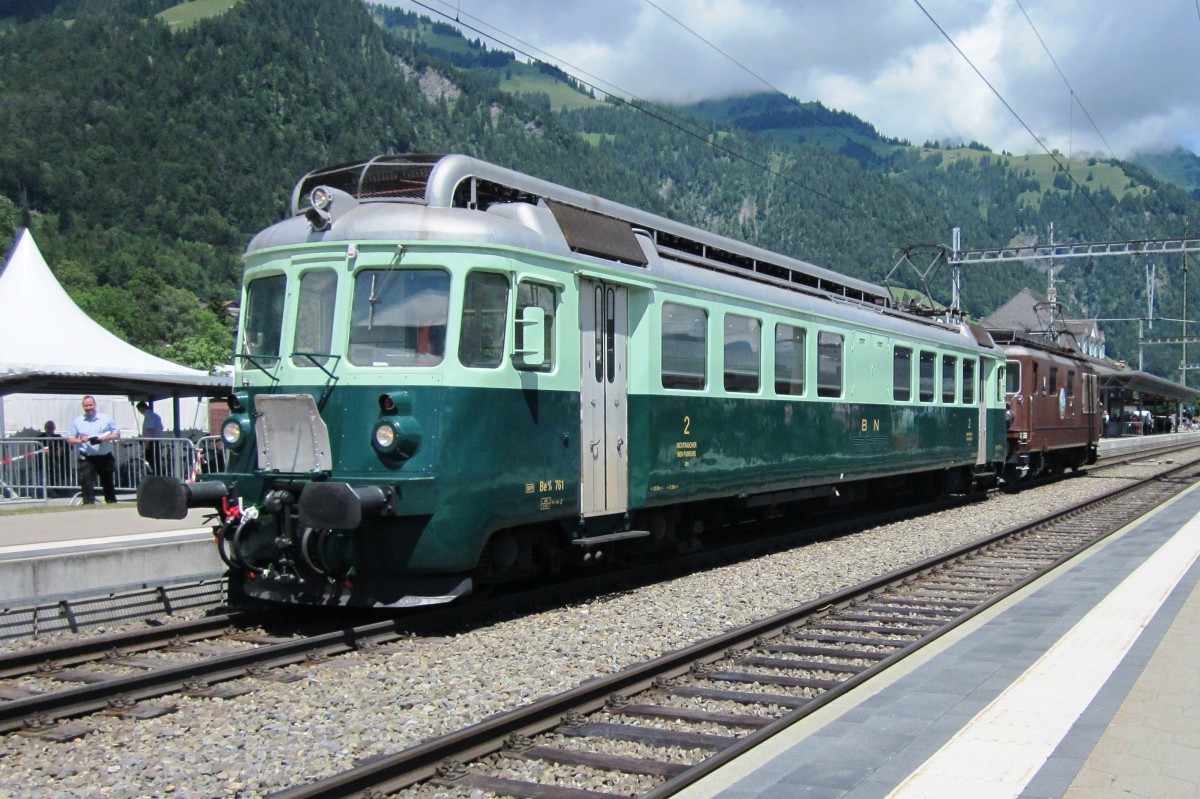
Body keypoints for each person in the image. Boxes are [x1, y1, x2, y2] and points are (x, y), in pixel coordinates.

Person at [67, 395, 120, 504]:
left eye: (90, 405)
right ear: (83, 407)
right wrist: (80, 440)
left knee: (108, 481)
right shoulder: (78, 421)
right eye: (86, 406)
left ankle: (111, 503)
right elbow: (70, 438)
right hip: (87, 457)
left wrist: (105, 438)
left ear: (95, 405)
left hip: (104, 456)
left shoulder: (106, 419)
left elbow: (117, 434)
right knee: (86, 481)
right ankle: (88, 504)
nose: (88, 408)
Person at [36, 420, 68, 496]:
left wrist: (61, 449)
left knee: (56, 475)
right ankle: (47, 492)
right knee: (44, 476)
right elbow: (37, 448)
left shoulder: (58, 437)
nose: (50, 429)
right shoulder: (40, 437)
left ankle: (56, 490)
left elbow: (66, 445)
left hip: (56, 462)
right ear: (45, 428)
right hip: (44, 461)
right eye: (49, 427)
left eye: (52, 427)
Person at [136, 401, 164, 475]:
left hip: (151, 442)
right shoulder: (155, 416)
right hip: (154, 442)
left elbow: (150, 430)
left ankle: (155, 477)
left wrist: (146, 443)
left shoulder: (150, 417)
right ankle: (156, 476)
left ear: (142, 408)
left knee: (152, 462)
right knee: (154, 462)